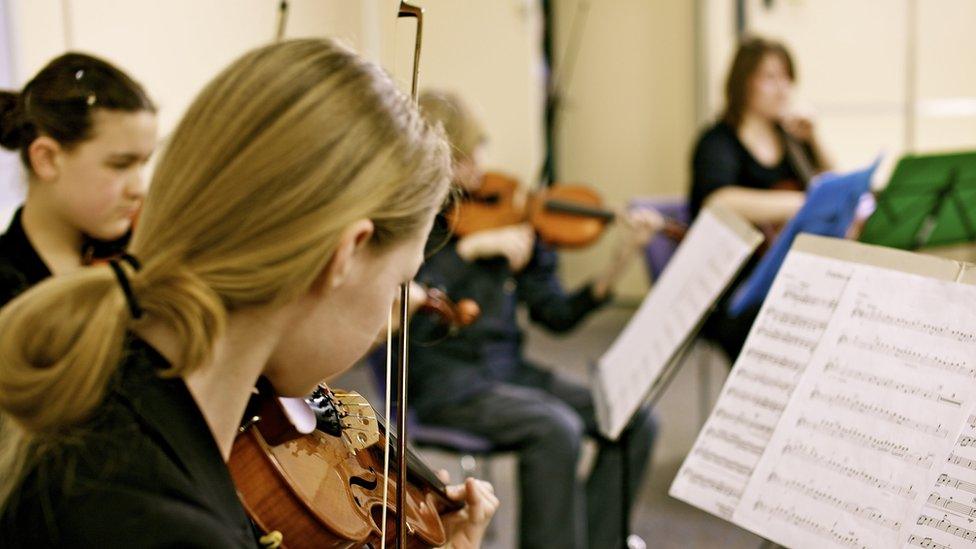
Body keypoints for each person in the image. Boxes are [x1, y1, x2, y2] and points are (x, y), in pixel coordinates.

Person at [0, 39, 497, 547]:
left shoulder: (111, 393)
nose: (390, 306)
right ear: (345, 255)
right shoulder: (163, 521)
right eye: (398, 281)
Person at [408, 89, 662, 549]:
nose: (481, 164)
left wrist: (618, 264)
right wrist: (468, 252)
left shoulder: (509, 215)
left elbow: (557, 316)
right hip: (449, 384)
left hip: (511, 372)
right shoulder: (416, 223)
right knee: (555, 430)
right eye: (468, 153)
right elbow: (410, 318)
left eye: (480, 148)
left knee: (634, 421)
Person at [690, 36, 831, 360]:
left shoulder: (791, 137)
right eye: (770, 77)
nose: (782, 88)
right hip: (739, 285)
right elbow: (718, 201)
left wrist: (815, 139)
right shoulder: (717, 142)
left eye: (786, 77)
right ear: (743, 83)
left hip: (794, 274)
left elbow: (831, 186)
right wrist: (800, 204)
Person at [0, 52, 157, 306]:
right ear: (47, 159)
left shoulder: (145, 263)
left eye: (142, 164)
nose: (139, 189)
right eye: (120, 165)